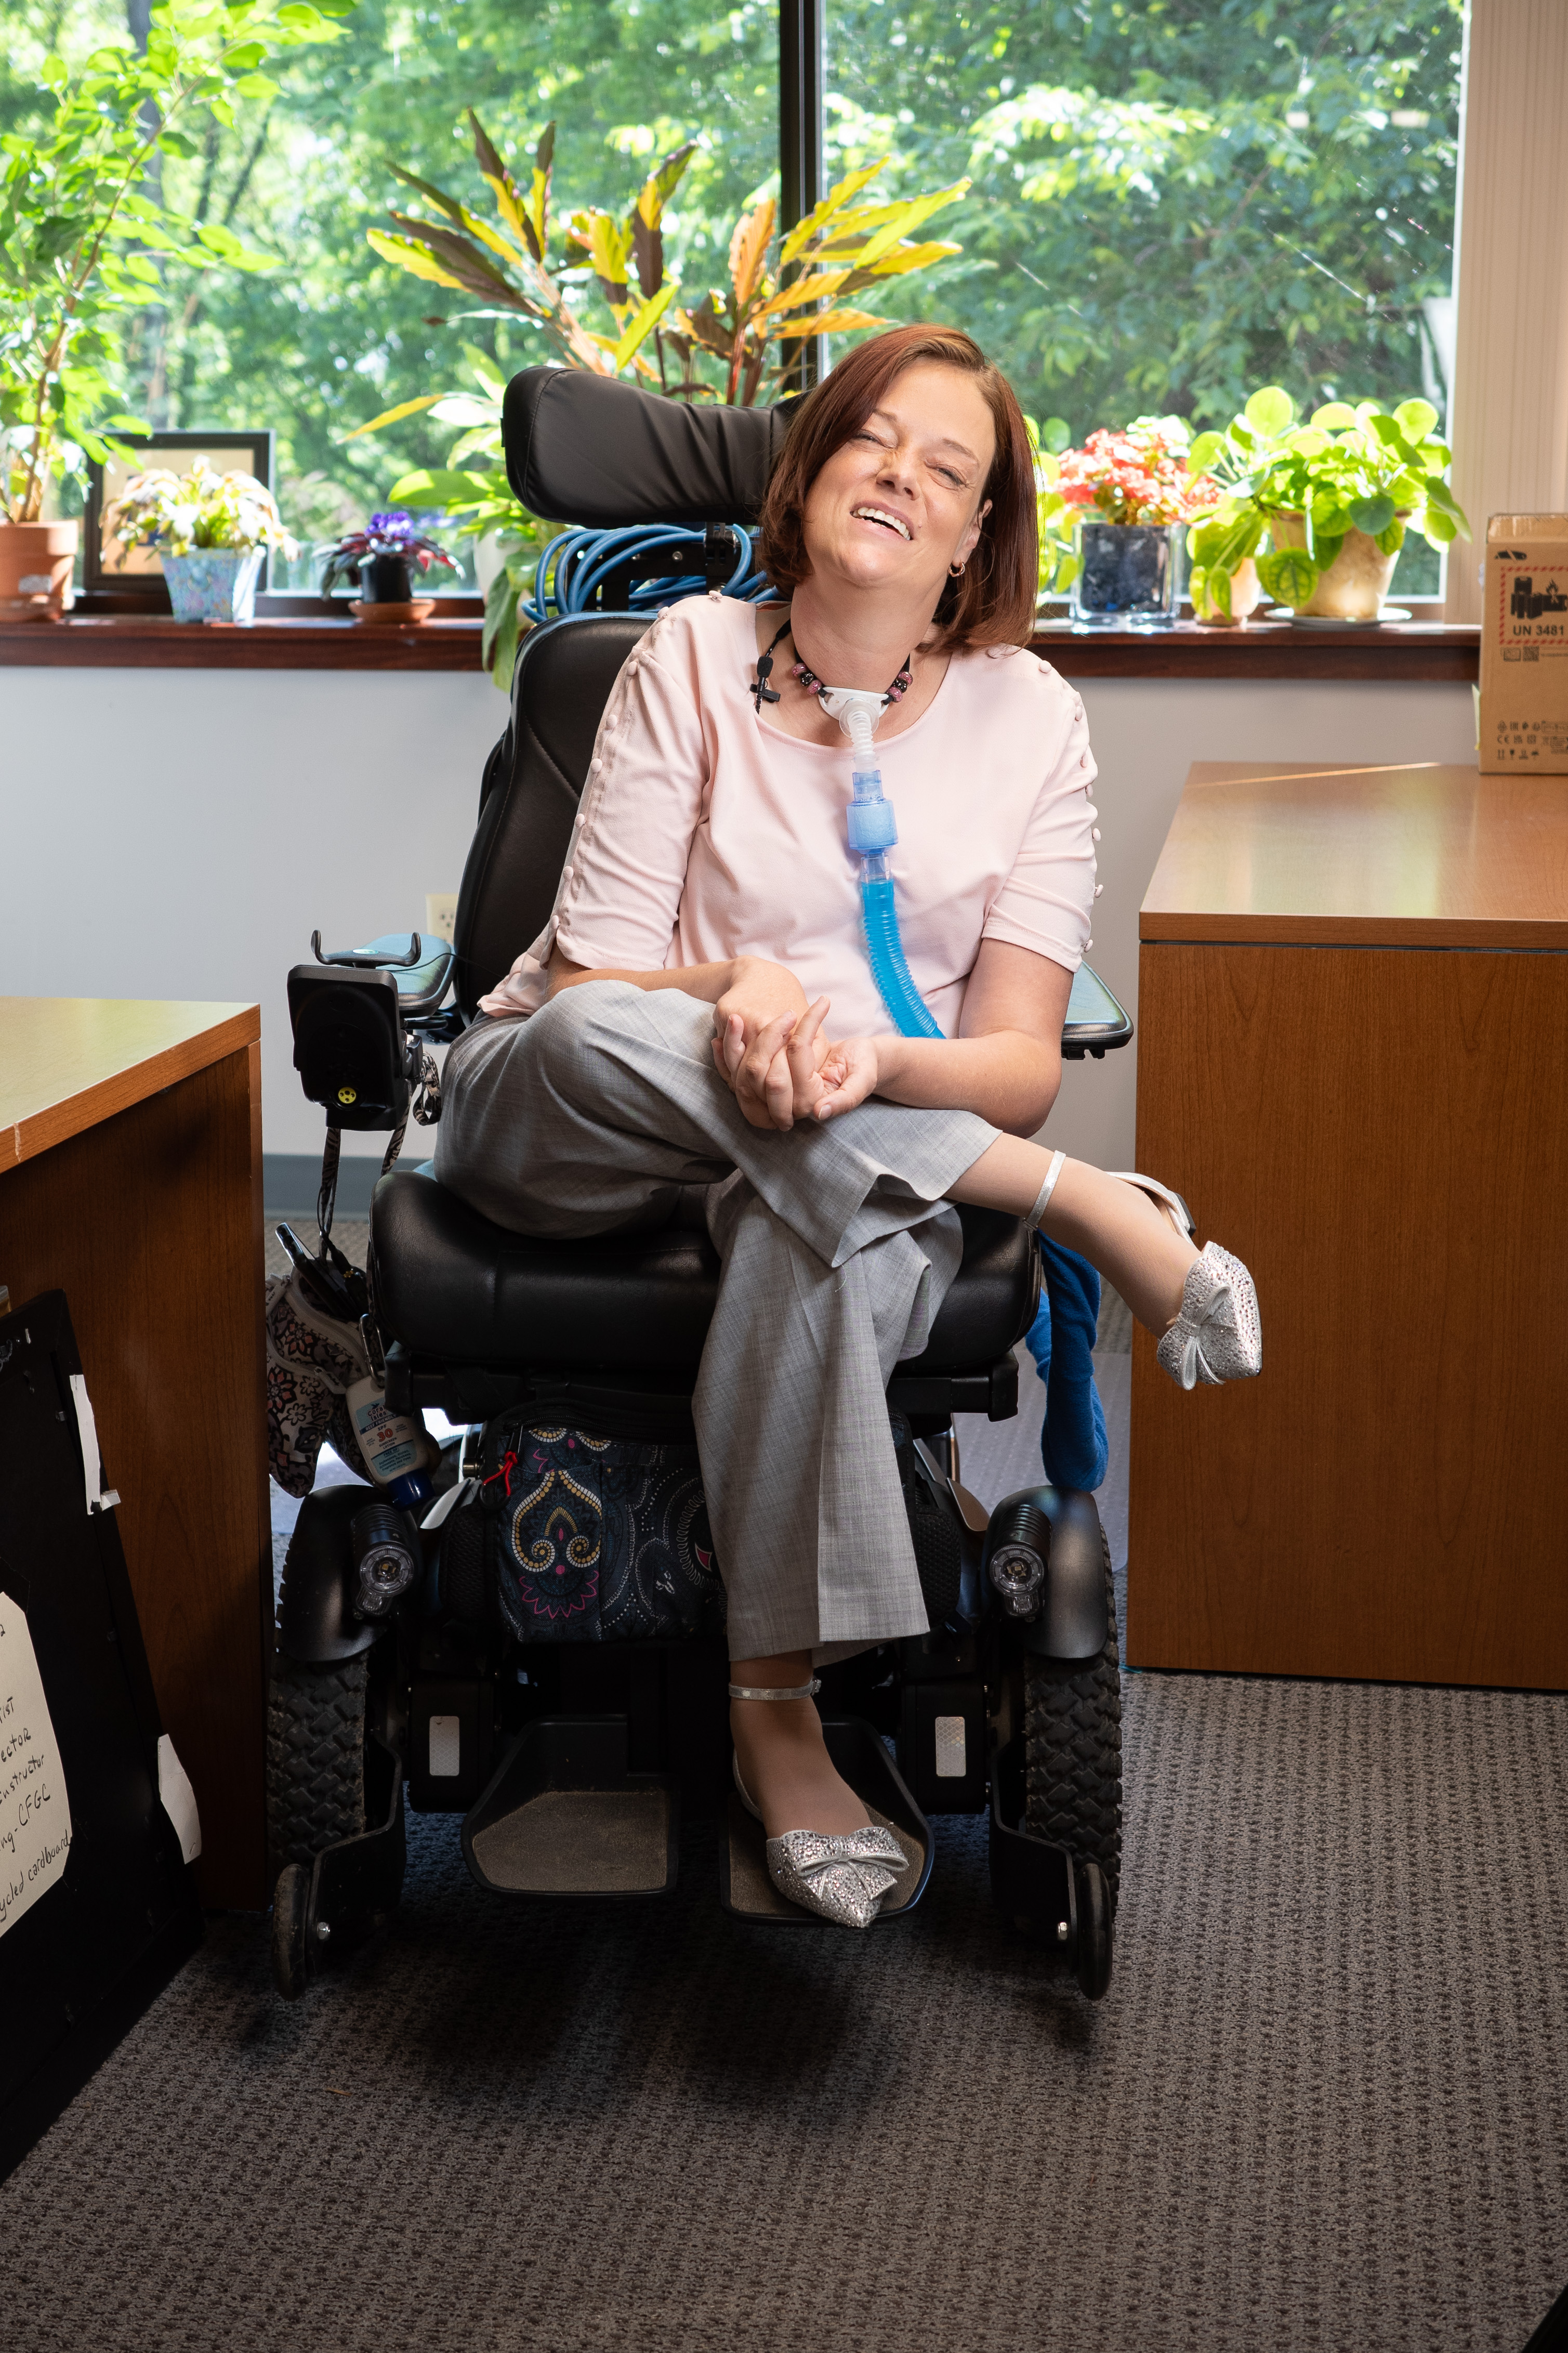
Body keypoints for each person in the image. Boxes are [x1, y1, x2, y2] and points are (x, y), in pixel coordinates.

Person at [434, 323, 1261, 1928]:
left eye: (946, 470)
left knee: (818, 1210)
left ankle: (775, 1711)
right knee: (613, 1027)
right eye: (873, 439)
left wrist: (858, 1063)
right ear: (808, 467)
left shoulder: (1029, 722)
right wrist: (740, 989)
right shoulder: (679, 653)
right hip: (585, 1112)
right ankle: (1089, 1207)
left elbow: (1013, 1056)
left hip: (835, 1152)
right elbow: (594, 977)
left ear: (972, 539)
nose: (901, 475)